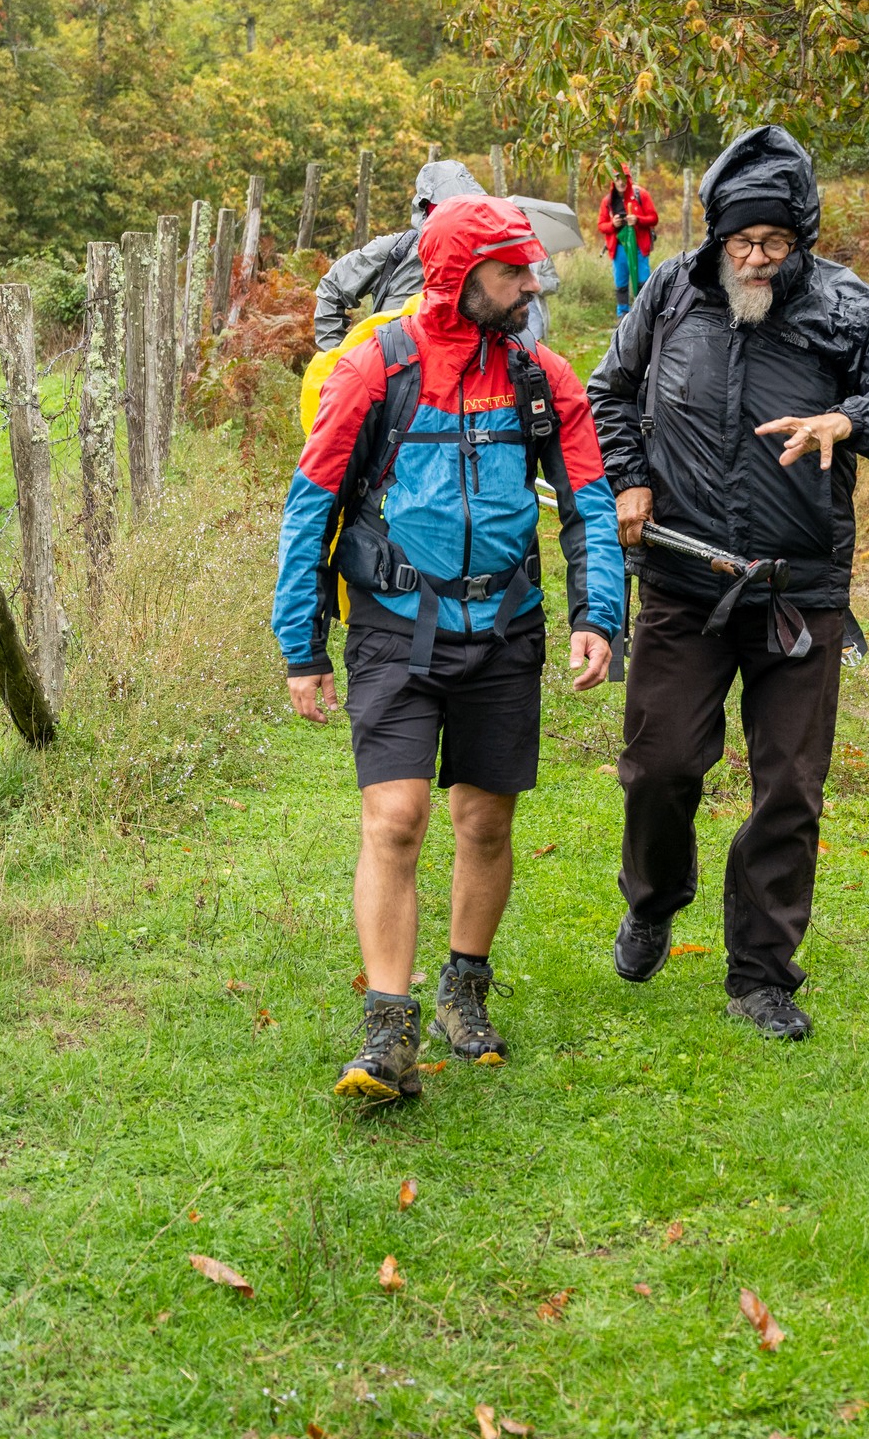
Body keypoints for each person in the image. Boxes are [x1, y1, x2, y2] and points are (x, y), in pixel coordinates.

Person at [587, 127, 869, 1040]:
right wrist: (629, 475)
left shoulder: (847, 309)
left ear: (803, 241)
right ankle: (655, 896)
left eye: (774, 244)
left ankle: (760, 976)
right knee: (660, 766)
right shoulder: (671, 292)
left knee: (788, 788)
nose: (754, 259)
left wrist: (849, 418)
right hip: (681, 577)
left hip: (799, 588)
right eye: (740, 242)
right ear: (715, 237)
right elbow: (607, 395)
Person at [273, 194, 625, 1102]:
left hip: (505, 630)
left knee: (485, 820)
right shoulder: (372, 372)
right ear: (458, 275)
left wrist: (598, 618)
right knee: (395, 818)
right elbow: (312, 506)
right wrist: (302, 643)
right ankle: (386, 1034)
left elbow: (586, 500)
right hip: (396, 631)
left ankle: (462, 993)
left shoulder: (544, 378)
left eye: (529, 269)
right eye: (512, 271)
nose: (530, 283)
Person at [313, 158, 559, 349]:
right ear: (428, 211)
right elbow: (332, 288)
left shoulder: (489, 256)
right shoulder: (394, 251)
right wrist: (337, 355)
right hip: (392, 387)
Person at [596, 165, 658, 317]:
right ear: (613, 181)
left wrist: (638, 220)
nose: (621, 182)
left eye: (624, 178)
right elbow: (601, 225)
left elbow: (654, 218)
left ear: (629, 179)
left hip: (639, 246)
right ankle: (623, 315)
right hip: (618, 247)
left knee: (643, 281)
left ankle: (644, 314)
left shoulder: (640, 194)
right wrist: (613, 224)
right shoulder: (608, 201)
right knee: (621, 282)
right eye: (617, 178)